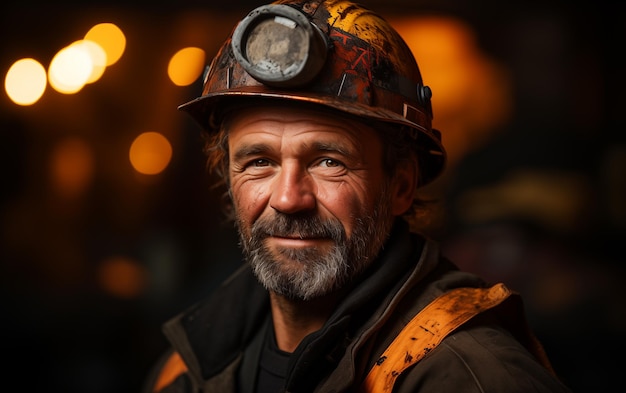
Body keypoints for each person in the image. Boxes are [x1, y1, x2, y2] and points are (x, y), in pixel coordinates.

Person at [142, 1, 572, 392]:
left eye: (329, 161)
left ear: (401, 185)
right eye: (259, 162)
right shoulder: (187, 369)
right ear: (227, 178)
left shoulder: (471, 376)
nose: (289, 199)